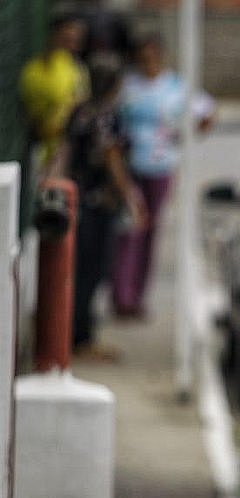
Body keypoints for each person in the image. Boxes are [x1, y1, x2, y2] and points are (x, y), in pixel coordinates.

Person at [45, 53, 144, 360]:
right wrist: (131, 198)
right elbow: (113, 159)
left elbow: (64, 151)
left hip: (76, 200)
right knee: (92, 272)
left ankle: (74, 333)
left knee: (76, 270)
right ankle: (81, 338)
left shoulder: (80, 111)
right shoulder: (107, 117)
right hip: (98, 204)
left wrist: (52, 181)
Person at [112, 32, 214, 318]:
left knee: (150, 230)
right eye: (143, 57)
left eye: (152, 56)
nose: (148, 62)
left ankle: (137, 294)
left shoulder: (176, 86)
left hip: (160, 166)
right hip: (130, 166)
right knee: (131, 227)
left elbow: (206, 114)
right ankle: (122, 294)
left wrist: (185, 135)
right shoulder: (129, 86)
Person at [20, 12, 89, 166]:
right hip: (39, 142)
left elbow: (80, 104)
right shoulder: (37, 68)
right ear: (54, 36)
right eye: (66, 39)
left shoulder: (78, 70)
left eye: (76, 41)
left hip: (64, 146)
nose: (71, 46)